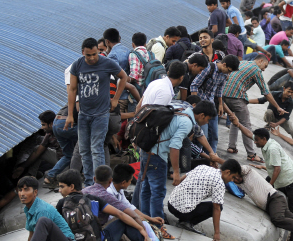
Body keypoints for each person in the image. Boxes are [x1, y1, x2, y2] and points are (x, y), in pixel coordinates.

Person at [55, 170, 165, 241]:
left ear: (72, 187)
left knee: (112, 240)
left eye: (61, 187)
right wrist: (141, 228)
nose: (59, 190)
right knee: (122, 222)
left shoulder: (61, 204)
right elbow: (120, 214)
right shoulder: (90, 198)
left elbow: (57, 229)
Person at [137, 100, 217, 222]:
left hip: (147, 151)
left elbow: (199, 135)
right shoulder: (186, 122)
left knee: (147, 189)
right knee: (158, 192)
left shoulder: (183, 111)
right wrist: (176, 172)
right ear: (202, 115)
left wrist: (210, 153)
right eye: (208, 119)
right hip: (157, 157)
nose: (207, 122)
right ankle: (158, 224)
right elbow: (174, 146)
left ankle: (145, 220)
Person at [66, 38, 127, 187]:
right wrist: (69, 114)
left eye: (95, 54)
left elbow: (124, 77)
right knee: (84, 150)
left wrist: (115, 99)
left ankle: (100, 183)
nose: (92, 58)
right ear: (83, 53)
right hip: (84, 114)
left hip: (101, 114)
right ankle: (89, 183)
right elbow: (72, 90)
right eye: (89, 55)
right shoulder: (77, 65)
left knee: (96, 148)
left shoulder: (106, 63)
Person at [6, 177, 79, 241]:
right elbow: (31, 237)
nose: (22, 193)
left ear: (35, 192)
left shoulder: (42, 210)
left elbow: (39, 240)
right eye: (20, 190)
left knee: (43, 221)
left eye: (26, 189)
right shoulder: (28, 208)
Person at [230, 117, 293, 217]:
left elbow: (277, 169)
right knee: (266, 186)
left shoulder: (272, 149)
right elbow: (248, 134)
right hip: (284, 177)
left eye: (256, 140)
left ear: (264, 139)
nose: (255, 142)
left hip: (291, 179)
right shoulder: (265, 142)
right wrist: (238, 124)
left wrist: (269, 186)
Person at [222, 54, 284, 163]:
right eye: (265, 66)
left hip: (223, 95)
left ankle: (231, 147)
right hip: (236, 97)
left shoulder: (243, 62)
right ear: (260, 61)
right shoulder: (256, 70)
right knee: (246, 124)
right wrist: (277, 107)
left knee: (234, 120)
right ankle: (251, 154)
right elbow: (266, 92)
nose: (264, 69)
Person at [167, 160, 241, 241]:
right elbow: (217, 208)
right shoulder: (219, 183)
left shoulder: (203, 167)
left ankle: (185, 220)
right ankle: (185, 223)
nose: (232, 180)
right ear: (227, 172)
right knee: (217, 206)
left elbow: (184, 177)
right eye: (233, 177)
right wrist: (217, 233)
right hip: (182, 211)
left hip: (170, 203)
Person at [191, 51, 240, 153]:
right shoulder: (209, 68)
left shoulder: (224, 74)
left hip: (212, 106)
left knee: (214, 136)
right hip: (202, 107)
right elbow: (194, 85)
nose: (229, 73)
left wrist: (221, 105)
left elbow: (219, 90)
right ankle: (199, 158)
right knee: (202, 135)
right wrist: (196, 105)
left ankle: (211, 159)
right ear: (224, 64)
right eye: (229, 70)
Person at [11, 110, 62, 182]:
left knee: (48, 175)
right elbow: (37, 152)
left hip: (70, 162)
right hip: (61, 159)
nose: (42, 128)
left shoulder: (63, 130)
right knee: (37, 149)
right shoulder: (49, 134)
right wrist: (23, 166)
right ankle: (30, 176)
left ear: (50, 124)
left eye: (43, 125)